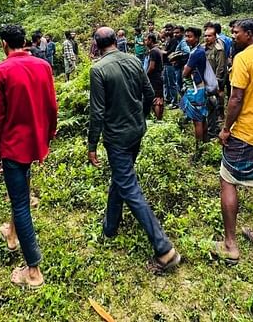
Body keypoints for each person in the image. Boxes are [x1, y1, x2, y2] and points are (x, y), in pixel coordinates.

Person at [88, 27, 181, 274]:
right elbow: (149, 93)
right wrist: (140, 119)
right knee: (121, 178)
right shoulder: (132, 60)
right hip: (136, 132)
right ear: (115, 41)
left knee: (128, 186)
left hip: (117, 138)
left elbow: (97, 112)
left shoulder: (98, 69)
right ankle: (110, 227)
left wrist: (92, 145)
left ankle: (164, 248)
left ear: (96, 45)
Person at [0, 24, 57, 289]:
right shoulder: (43, 66)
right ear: (24, 41)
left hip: (14, 146)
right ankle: (12, 236)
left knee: (20, 204)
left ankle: (34, 271)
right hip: (35, 142)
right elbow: (52, 104)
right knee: (21, 194)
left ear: (4, 43)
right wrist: (49, 133)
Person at [213, 19, 253, 264]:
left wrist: (226, 129)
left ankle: (230, 244)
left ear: (249, 34)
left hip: (244, 132)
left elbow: (236, 98)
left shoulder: (243, 59)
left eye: (236, 32)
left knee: (228, 180)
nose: (233, 35)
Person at [182, 27, 209, 157]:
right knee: (202, 117)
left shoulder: (196, 53)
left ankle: (198, 150)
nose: (187, 39)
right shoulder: (198, 50)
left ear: (197, 38)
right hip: (200, 86)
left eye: (190, 36)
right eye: (186, 36)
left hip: (196, 89)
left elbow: (185, 72)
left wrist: (185, 69)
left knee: (197, 120)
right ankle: (204, 143)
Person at [203, 25, 227, 140]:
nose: (207, 38)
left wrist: (216, 84)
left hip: (213, 82)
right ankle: (209, 128)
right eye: (205, 36)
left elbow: (220, 68)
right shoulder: (203, 48)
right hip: (204, 82)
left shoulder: (219, 49)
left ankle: (213, 130)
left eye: (209, 36)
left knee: (213, 105)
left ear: (214, 36)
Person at [144, 33, 164, 120]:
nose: (145, 42)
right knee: (159, 97)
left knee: (156, 99)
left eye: (146, 40)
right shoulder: (158, 50)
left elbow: (151, 67)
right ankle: (159, 118)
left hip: (154, 78)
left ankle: (158, 119)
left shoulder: (153, 51)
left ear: (150, 40)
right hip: (158, 77)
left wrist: (145, 76)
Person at [163, 25, 181, 108]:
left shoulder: (174, 41)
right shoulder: (168, 40)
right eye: (166, 30)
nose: (167, 32)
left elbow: (170, 52)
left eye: (169, 30)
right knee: (166, 82)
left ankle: (175, 102)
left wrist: (162, 52)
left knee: (172, 83)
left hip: (170, 64)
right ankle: (168, 99)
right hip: (166, 63)